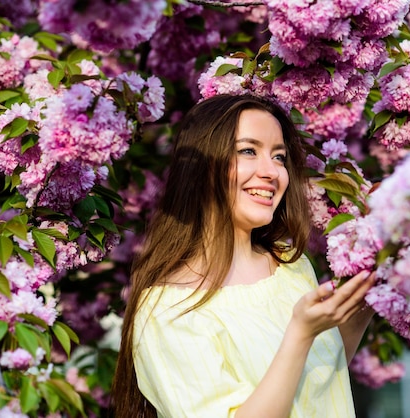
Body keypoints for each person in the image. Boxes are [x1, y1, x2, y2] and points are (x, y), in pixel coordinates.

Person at [111, 94, 376, 418]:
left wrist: (367, 296)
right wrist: (301, 332)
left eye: (279, 157)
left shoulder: (290, 263)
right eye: (248, 151)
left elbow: (321, 380)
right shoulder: (168, 310)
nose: (271, 171)